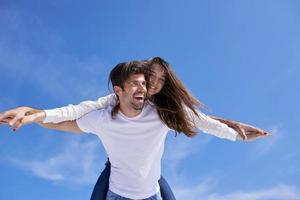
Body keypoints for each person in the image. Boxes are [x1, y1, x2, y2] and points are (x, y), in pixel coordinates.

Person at [0, 60, 270, 200]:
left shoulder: (164, 112)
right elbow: (70, 115)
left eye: (156, 81)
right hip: (118, 189)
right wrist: (33, 113)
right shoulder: (106, 112)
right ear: (119, 90)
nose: (150, 86)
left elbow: (202, 121)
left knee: (156, 179)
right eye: (145, 80)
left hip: (150, 188)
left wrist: (236, 132)